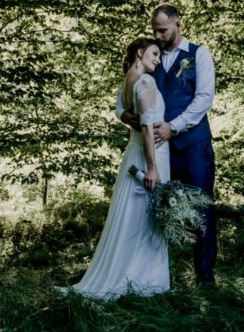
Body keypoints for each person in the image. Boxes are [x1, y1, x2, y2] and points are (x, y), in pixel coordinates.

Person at [58, 37, 170, 299]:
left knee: (134, 216)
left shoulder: (127, 82)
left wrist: (122, 116)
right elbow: (145, 127)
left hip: (133, 155)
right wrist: (152, 167)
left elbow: (121, 111)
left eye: (159, 56)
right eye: (154, 54)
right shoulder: (145, 81)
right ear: (140, 52)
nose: (157, 60)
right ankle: (145, 281)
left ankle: (131, 273)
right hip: (149, 156)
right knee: (146, 218)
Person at [122, 3, 217, 286]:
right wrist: (126, 116)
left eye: (162, 30)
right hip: (159, 152)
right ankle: (156, 274)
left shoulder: (199, 54)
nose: (158, 35)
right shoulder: (151, 57)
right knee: (157, 208)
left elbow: (204, 98)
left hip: (193, 146)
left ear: (179, 25)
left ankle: (205, 274)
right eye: (155, 31)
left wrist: (173, 126)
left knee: (201, 208)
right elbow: (128, 94)